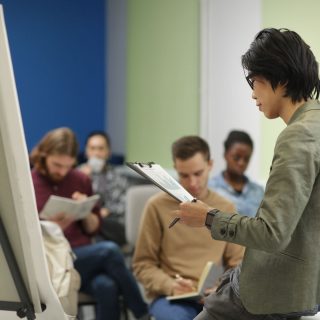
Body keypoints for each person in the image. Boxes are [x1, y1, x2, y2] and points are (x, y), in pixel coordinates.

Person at [176, 28, 320, 320]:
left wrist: (208, 217)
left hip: (267, 291)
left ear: (281, 80)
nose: (253, 93)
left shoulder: (298, 136)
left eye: (255, 81)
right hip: (297, 290)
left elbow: (272, 233)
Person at [30, 127, 149, 320]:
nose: (62, 171)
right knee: (109, 250)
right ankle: (143, 314)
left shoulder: (80, 179)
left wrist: (84, 211)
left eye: (67, 166)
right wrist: (51, 227)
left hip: (81, 255)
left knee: (106, 286)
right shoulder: (29, 183)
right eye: (57, 165)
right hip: (51, 260)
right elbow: (23, 236)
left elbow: (93, 228)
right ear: (44, 156)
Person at [132, 135, 244, 320]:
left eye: (198, 173)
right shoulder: (156, 207)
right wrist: (170, 285)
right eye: (184, 175)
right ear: (175, 169)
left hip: (214, 296)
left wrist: (221, 289)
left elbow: (238, 264)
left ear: (210, 165)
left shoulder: (226, 208)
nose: (192, 183)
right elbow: (142, 265)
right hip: (171, 297)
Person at [78, 130, 128, 246]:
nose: (96, 153)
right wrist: (83, 180)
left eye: (101, 149)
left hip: (109, 224)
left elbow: (122, 204)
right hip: (83, 222)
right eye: (92, 148)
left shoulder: (117, 176)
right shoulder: (77, 175)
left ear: (108, 152)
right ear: (86, 152)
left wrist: (106, 211)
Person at [208, 130, 264, 217]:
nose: (241, 163)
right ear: (225, 154)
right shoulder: (210, 188)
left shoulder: (259, 192)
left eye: (246, 159)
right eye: (236, 157)